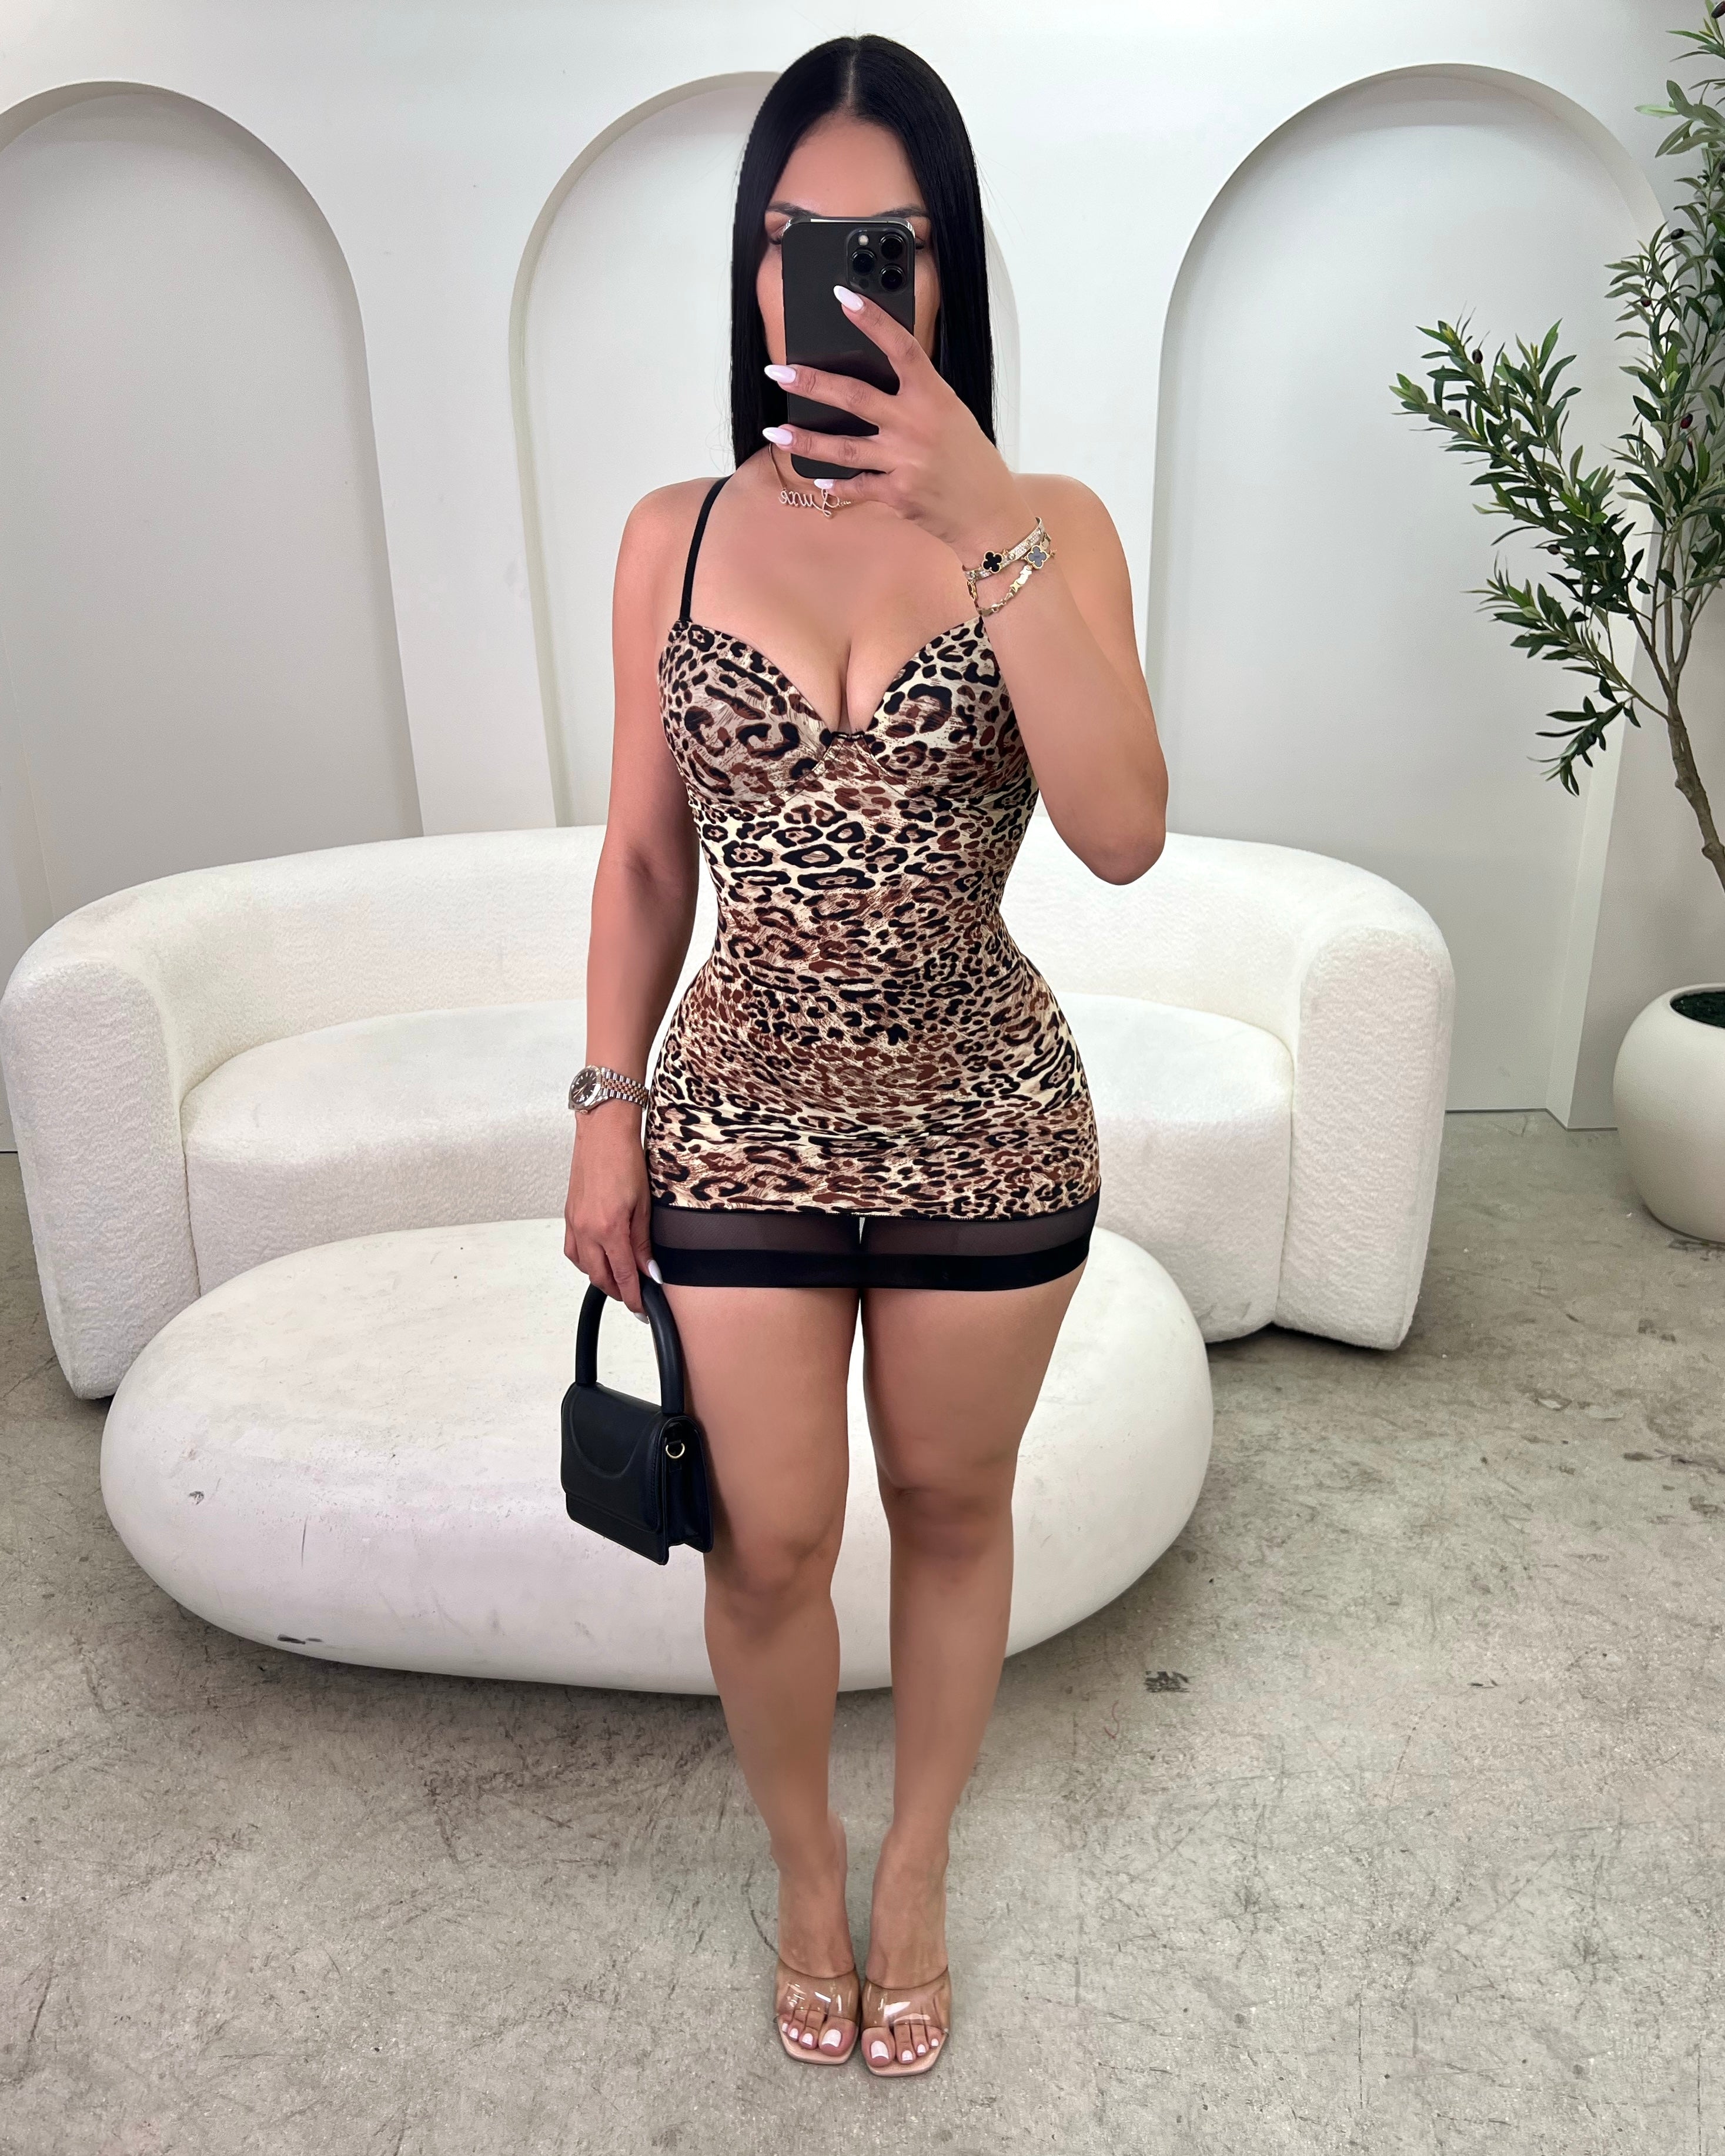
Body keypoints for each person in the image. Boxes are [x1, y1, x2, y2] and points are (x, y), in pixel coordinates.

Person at [564, 32, 1166, 2078]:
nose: (835, 277)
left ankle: (915, 1868)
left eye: (883, 243)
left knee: (950, 1504)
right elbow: (646, 859)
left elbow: (1121, 830)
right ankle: (807, 1868)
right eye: (794, 236)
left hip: (986, 1114)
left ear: (945, 266)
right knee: (774, 1544)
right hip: (737, 1108)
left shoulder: (1050, 522)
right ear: (753, 269)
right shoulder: (669, 534)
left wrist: (989, 524)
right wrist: (605, 1103)